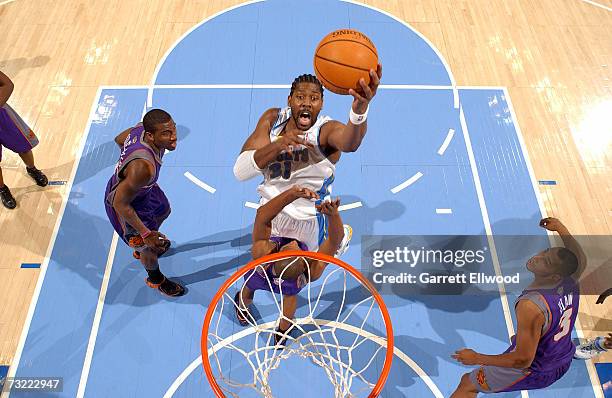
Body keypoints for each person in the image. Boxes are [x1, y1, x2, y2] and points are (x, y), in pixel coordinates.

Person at [232, 68, 381, 252]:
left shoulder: (325, 130)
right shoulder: (273, 120)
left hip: (310, 219)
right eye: (300, 97)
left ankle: (335, 239)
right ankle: (334, 238)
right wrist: (278, 145)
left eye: (314, 98)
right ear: (289, 100)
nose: (307, 104)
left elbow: (350, 143)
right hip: (271, 212)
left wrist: (359, 111)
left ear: (322, 104)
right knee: (267, 271)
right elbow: (240, 172)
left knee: (300, 275)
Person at [451, 217, 586, 396]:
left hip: (535, 370)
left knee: (468, 383)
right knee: (525, 339)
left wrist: (477, 358)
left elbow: (522, 360)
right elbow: (579, 258)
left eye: (546, 262)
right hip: (563, 355)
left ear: (554, 277)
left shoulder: (531, 305)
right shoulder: (571, 278)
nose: (537, 257)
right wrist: (561, 228)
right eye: (545, 252)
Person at [234, 185, 346, 347]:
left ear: (277, 254)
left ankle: (242, 306)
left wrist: (291, 194)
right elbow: (335, 241)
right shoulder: (310, 271)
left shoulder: (263, 253)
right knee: (289, 303)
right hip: (288, 286)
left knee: (248, 289)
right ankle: (282, 332)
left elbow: (262, 215)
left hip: (260, 277)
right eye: (296, 247)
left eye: (290, 246)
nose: (293, 241)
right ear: (303, 262)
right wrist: (333, 216)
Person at [103, 108, 185, 297]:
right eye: (166, 134)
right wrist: (146, 233)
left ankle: (142, 248)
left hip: (140, 190)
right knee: (149, 248)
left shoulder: (140, 128)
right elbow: (119, 203)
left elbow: (120, 139)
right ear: (150, 135)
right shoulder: (142, 168)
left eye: (174, 130)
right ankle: (155, 278)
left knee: (164, 209)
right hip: (127, 204)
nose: (174, 137)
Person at [0, 70, 48, 209]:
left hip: (2, 117)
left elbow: (8, 84)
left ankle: (32, 169)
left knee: (24, 146)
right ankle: (2, 189)